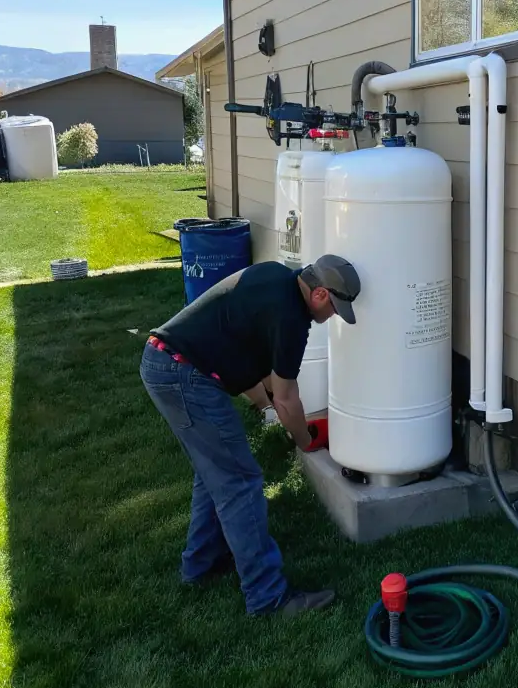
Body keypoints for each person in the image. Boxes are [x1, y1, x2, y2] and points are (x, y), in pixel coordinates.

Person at [140, 253, 360, 616]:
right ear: (320, 294)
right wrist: (306, 442)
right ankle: (268, 596)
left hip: (164, 361)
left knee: (215, 474)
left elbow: (254, 372)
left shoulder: (274, 276)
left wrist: (268, 407)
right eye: (335, 308)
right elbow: (287, 397)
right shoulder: (293, 318)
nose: (332, 316)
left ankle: (201, 564)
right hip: (184, 375)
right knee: (240, 482)